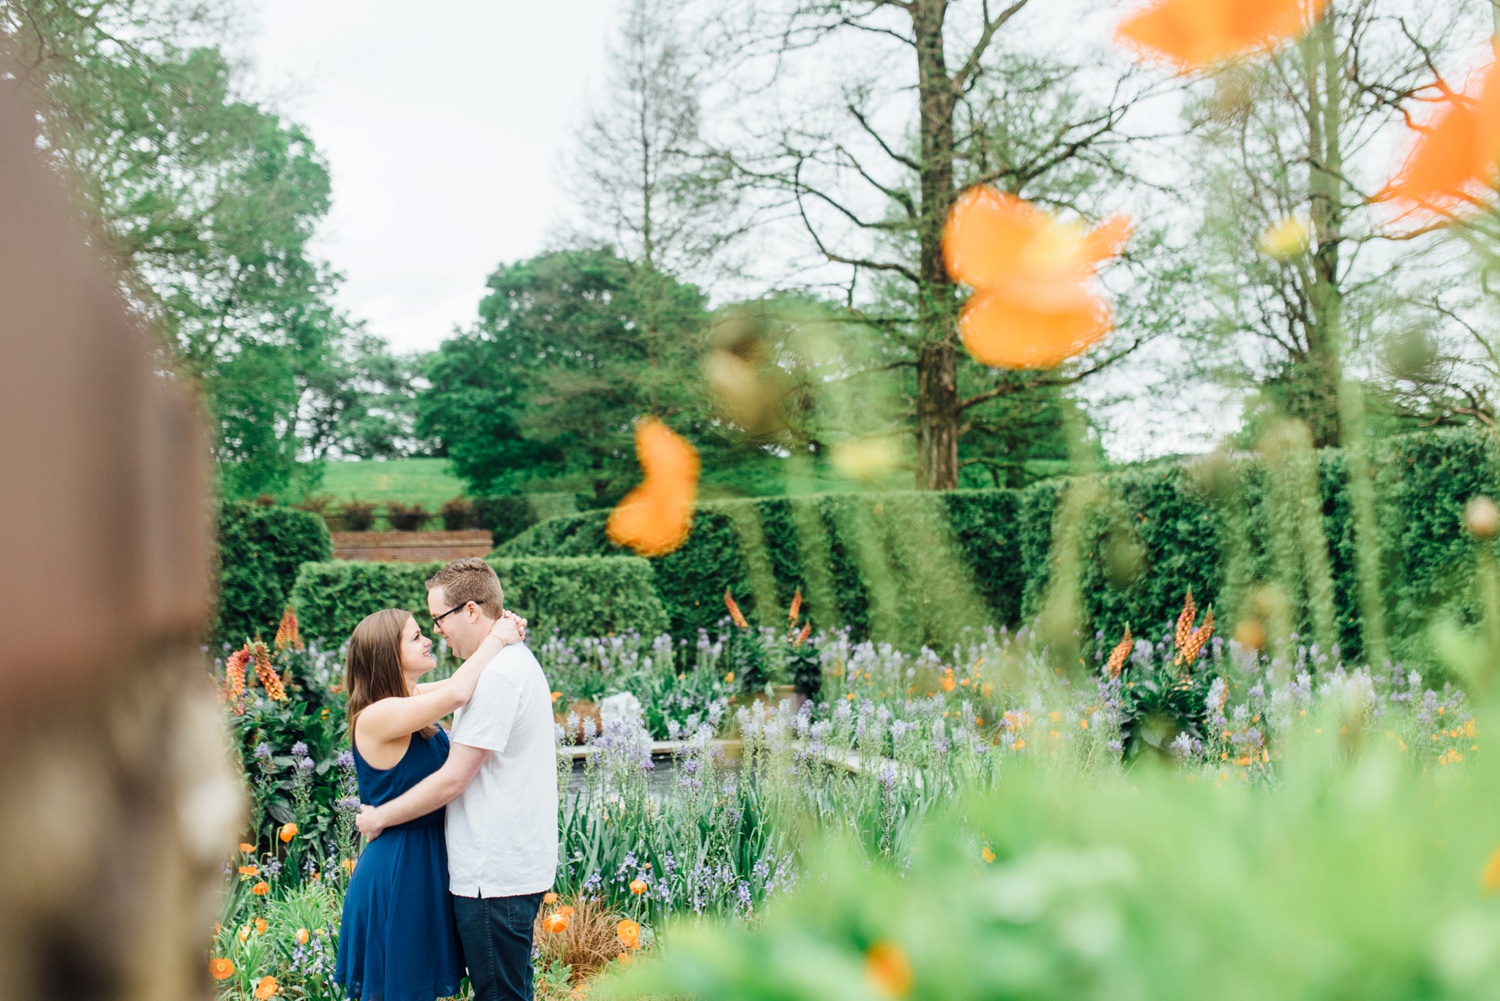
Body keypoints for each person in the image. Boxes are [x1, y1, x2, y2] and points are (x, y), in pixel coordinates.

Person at [356, 558, 559, 1001]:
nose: (435, 632)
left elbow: (452, 780)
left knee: (501, 993)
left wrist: (378, 817)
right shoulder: (493, 669)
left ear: (469, 611)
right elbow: (445, 691)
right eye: (421, 630)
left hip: (492, 872)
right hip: (441, 867)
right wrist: (498, 636)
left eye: (438, 619)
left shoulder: (497, 676)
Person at [334, 604, 524, 1001]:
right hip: (399, 868)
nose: (429, 639)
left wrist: (501, 630)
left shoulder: (408, 699)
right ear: (388, 653)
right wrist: (497, 637)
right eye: (416, 636)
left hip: (423, 861)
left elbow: (463, 683)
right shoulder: (378, 715)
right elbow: (457, 691)